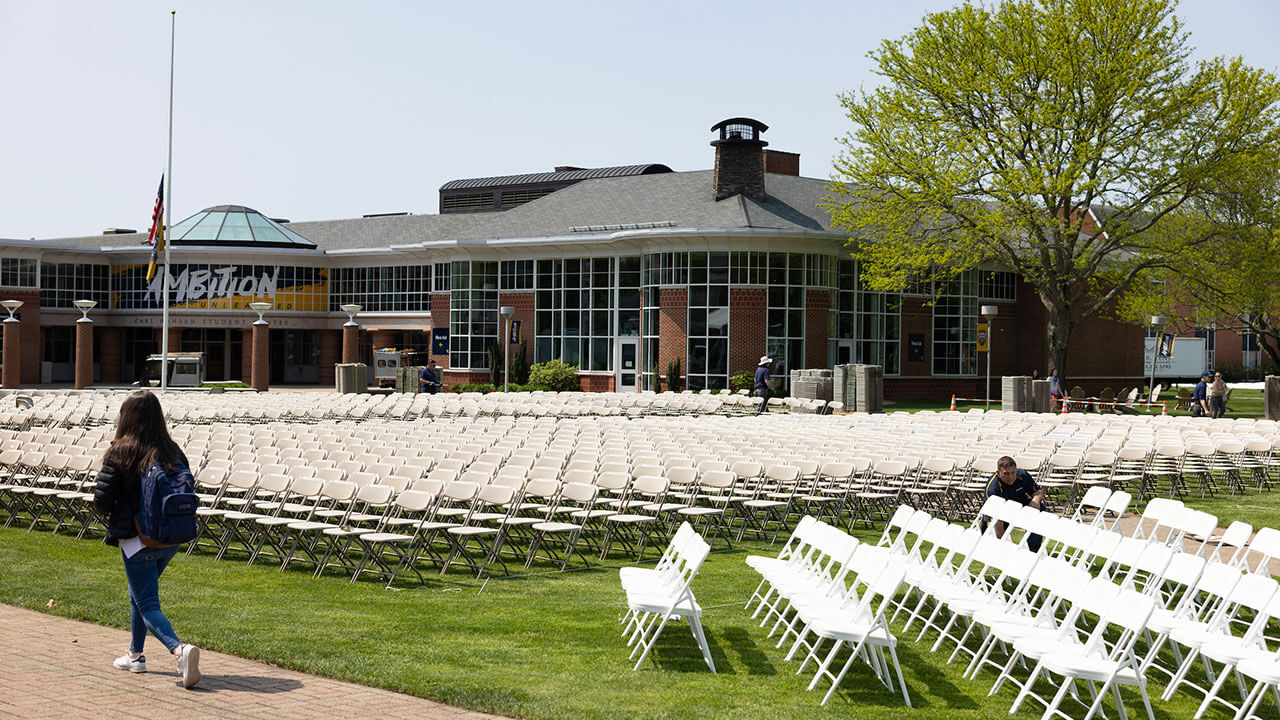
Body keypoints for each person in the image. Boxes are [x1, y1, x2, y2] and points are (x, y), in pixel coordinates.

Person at [92, 390, 201, 689]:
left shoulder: (121, 450)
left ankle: (180, 652)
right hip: (170, 537)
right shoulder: (172, 449)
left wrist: (115, 512)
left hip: (137, 539)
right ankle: (135, 655)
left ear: (127, 416)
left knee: (147, 603)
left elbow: (102, 499)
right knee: (138, 595)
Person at [979, 456, 1045, 552]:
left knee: (1040, 509)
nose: (1010, 477)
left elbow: (1038, 491)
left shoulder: (1022, 475)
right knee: (991, 545)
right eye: (1006, 474)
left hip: (1020, 508)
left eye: (1013, 472)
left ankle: (1033, 550)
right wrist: (1006, 548)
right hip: (1000, 514)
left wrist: (1034, 502)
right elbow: (996, 519)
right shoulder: (993, 488)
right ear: (998, 473)